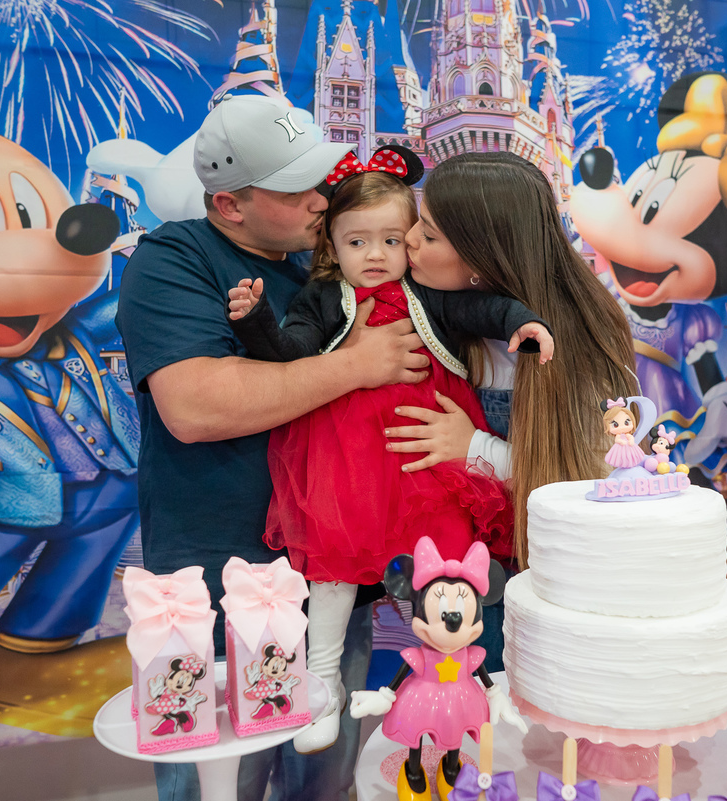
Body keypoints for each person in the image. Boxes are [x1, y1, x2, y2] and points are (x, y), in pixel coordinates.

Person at [116, 94, 426, 801]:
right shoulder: (175, 259)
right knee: (218, 781)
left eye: (322, 177)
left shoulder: (332, 266)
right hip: (212, 595)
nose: (324, 199)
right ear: (229, 204)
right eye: (297, 189)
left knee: (322, 773)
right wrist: (353, 365)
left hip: (328, 579)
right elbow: (194, 404)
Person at [225, 147, 553, 753]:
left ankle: (462, 685)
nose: (375, 256)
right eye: (356, 243)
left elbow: (486, 307)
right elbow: (291, 350)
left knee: (451, 565)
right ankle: (319, 687)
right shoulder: (322, 299)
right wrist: (255, 325)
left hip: (428, 460)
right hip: (344, 463)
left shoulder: (432, 296)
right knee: (331, 575)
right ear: (330, 249)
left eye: (393, 240)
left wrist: (523, 322)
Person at [387, 152, 639, 668]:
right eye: (416, 222)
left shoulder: (568, 342)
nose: (408, 240)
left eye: (429, 235)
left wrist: (472, 447)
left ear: (482, 263)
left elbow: (588, 477)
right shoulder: (432, 307)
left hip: (532, 571)